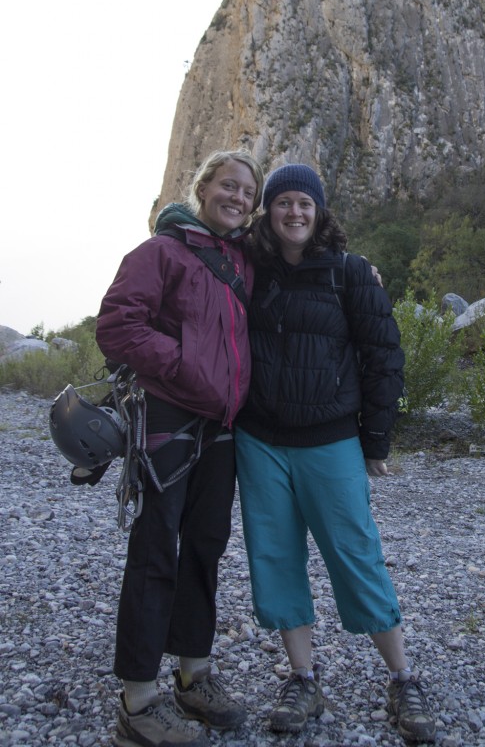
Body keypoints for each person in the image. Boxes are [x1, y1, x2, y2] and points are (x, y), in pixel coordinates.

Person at [235, 163, 436, 744]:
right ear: (268, 212)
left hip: (330, 441)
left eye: (305, 203)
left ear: (319, 211)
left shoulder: (350, 274)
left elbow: (384, 359)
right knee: (274, 558)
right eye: (283, 204)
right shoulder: (246, 271)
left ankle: (402, 677)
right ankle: (303, 677)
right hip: (260, 441)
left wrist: (375, 440)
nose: (294, 213)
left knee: (356, 555)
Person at [96, 149, 264, 747]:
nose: (237, 197)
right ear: (203, 188)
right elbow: (117, 326)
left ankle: (194, 674)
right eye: (228, 185)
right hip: (168, 418)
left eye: (247, 191)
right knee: (154, 551)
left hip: (221, 429)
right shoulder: (159, 253)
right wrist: (184, 369)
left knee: (205, 547)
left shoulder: (244, 263)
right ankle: (138, 702)